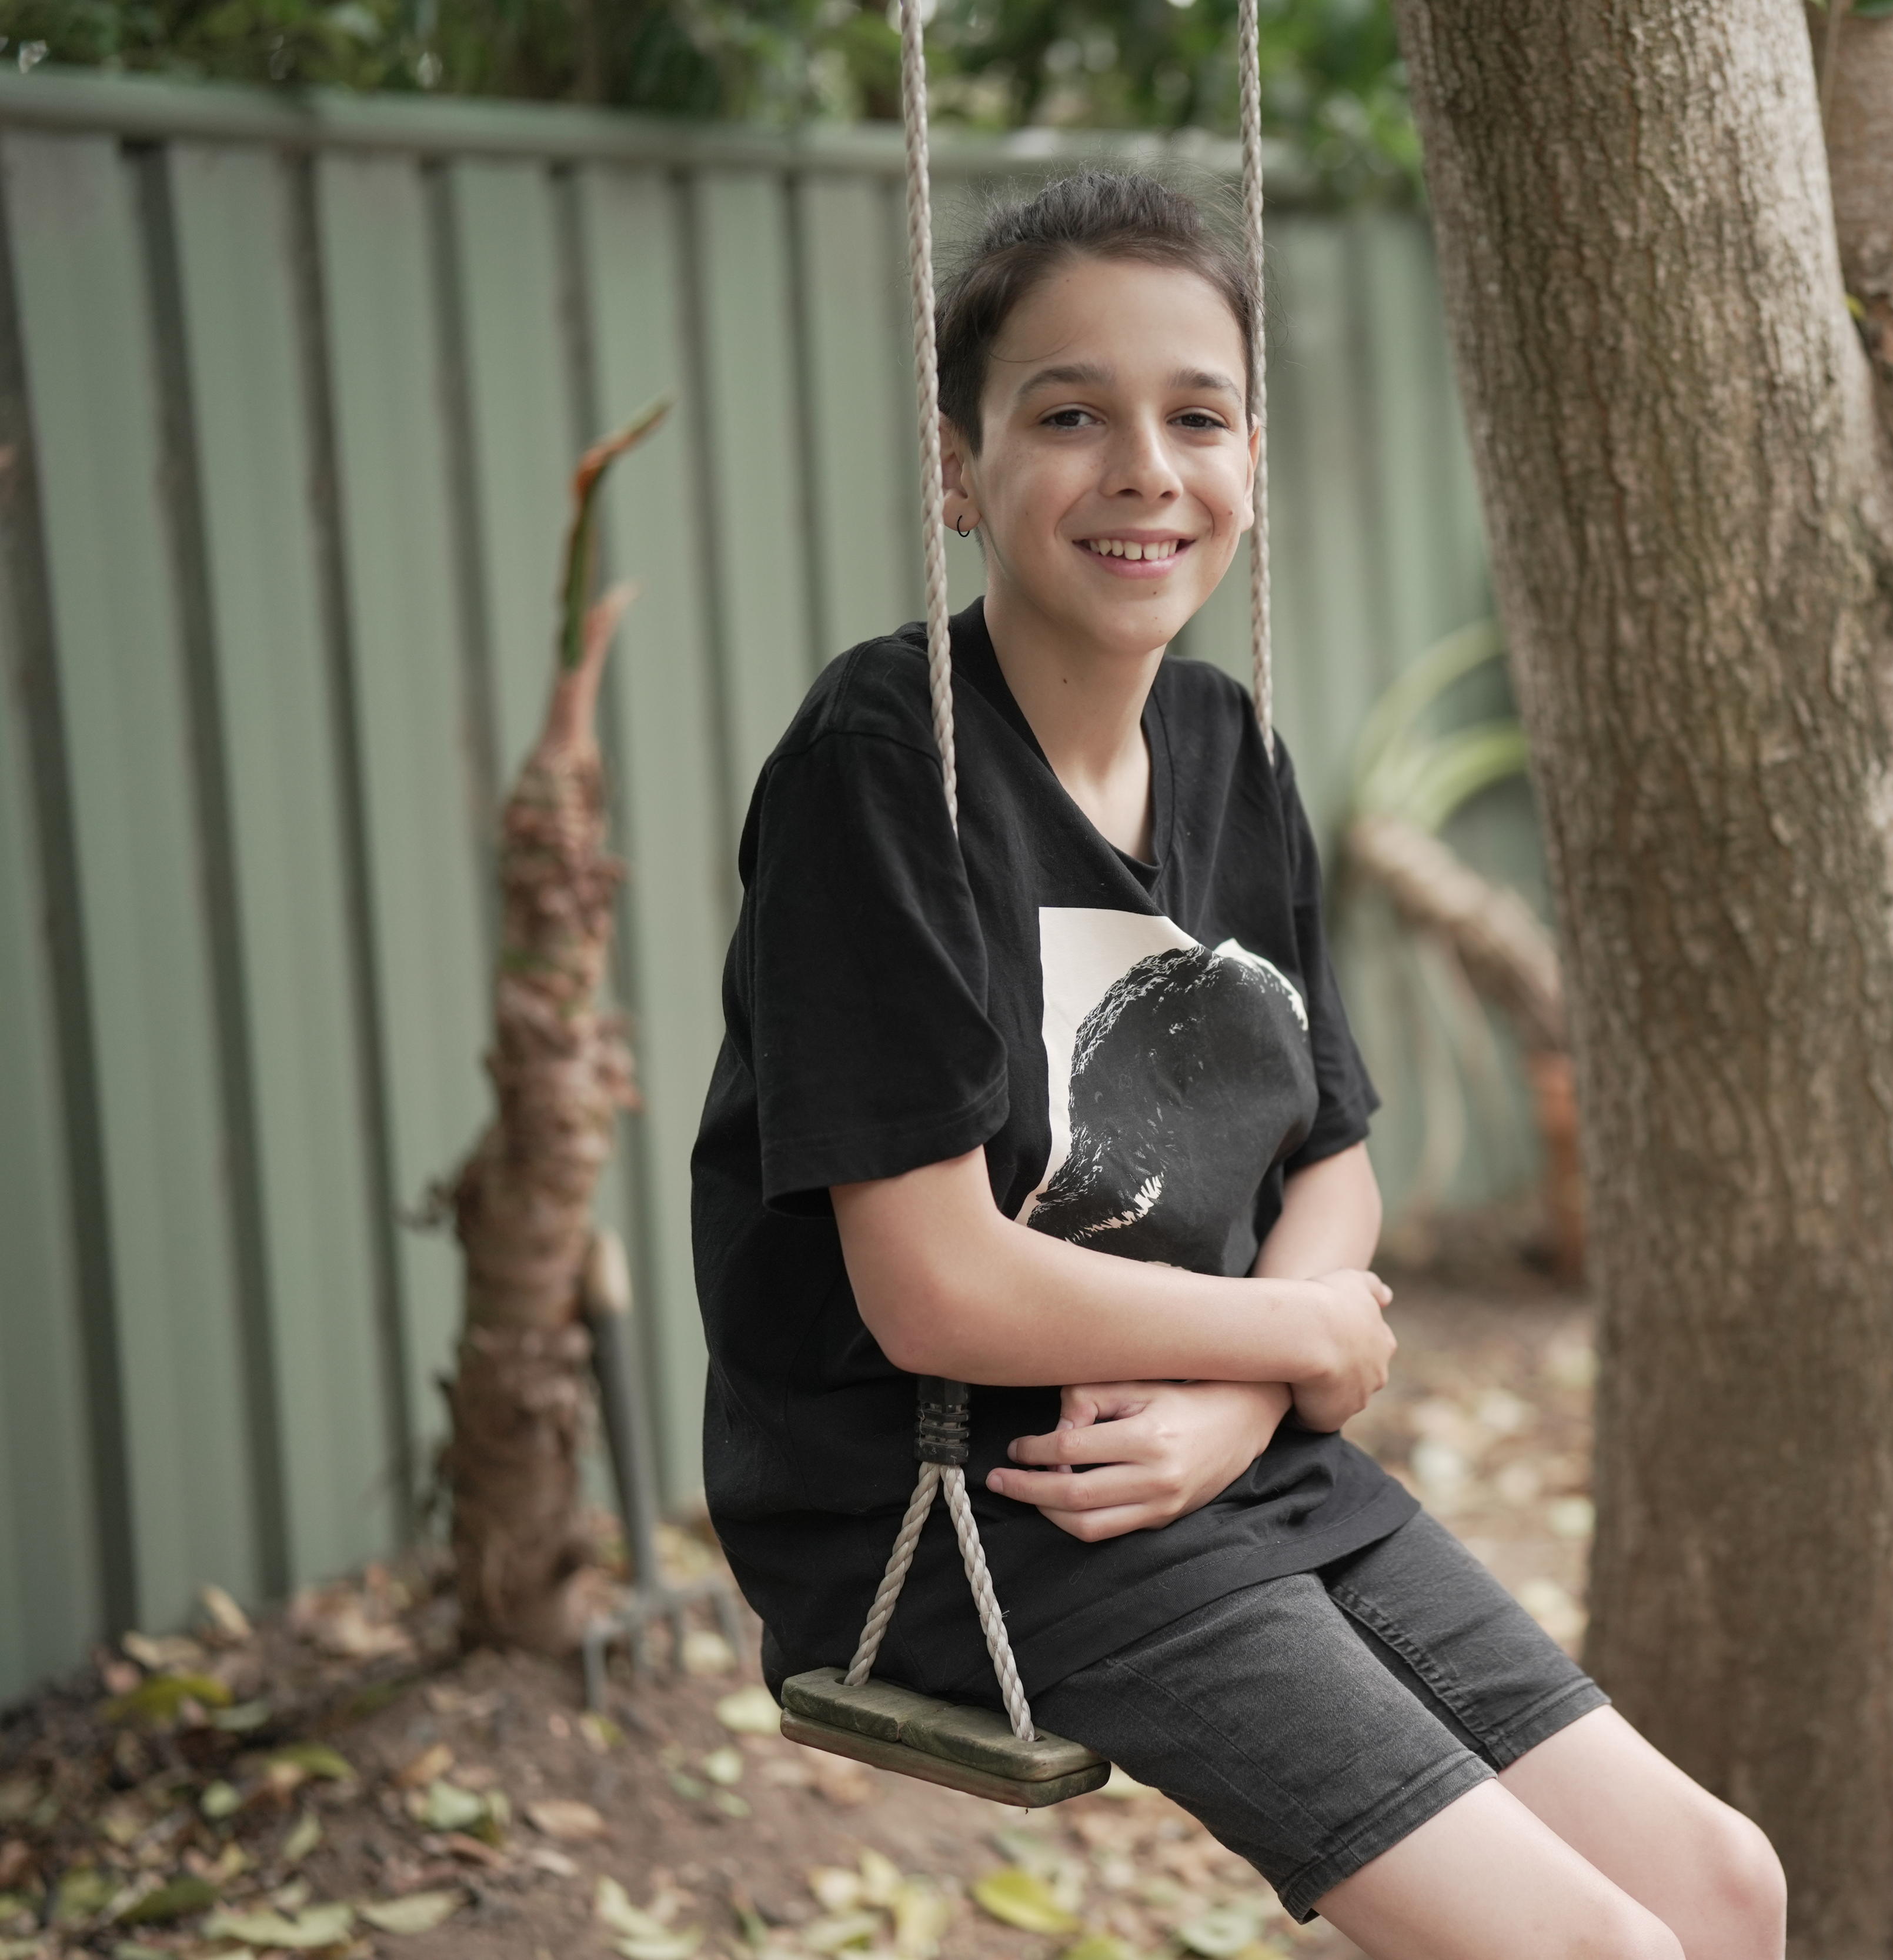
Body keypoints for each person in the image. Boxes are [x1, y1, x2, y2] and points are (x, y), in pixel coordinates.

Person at [692, 170, 1784, 1958]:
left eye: (1195, 415)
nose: (1143, 465)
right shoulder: (885, 762)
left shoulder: (1225, 744)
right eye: (1069, 413)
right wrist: (1296, 1341)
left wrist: (1252, 1397)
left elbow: (1330, 1158)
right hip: (976, 1504)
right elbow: (932, 1285)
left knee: (1721, 1889)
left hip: (1215, 1449)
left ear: (1250, 467)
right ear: (958, 470)